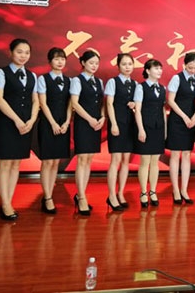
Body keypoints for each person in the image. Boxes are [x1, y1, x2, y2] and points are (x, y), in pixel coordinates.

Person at [0, 38, 39, 220]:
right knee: (5, 164)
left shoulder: (32, 76)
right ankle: (4, 204)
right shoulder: (1, 73)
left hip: (25, 124)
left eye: (27, 52)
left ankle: (9, 201)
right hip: (7, 123)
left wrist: (32, 120)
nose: (23, 56)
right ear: (10, 52)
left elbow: (35, 100)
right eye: (19, 52)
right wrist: (17, 120)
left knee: (16, 164)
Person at [37, 47, 72, 214]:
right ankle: (47, 197)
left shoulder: (69, 81)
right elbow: (42, 103)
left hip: (63, 124)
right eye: (56, 59)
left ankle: (49, 194)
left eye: (62, 59)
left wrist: (66, 122)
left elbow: (70, 104)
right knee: (47, 161)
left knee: (56, 162)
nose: (60, 62)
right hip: (47, 123)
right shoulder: (43, 79)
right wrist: (52, 123)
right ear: (50, 61)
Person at [70, 50, 105, 215]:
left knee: (89, 159)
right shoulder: (77, 80)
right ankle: (81, 196)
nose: (94, 66)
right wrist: (90, 119)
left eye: (96, 63)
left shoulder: (99, 81)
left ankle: (81, 194)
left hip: (96, 124)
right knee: (82, 159)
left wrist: (103, 117)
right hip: (83, 123)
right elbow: (75, 104)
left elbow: (102, 103)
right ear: (83, 63)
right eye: (91, 63)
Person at [166, 52, 195, 205]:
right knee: (175, 155)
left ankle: (184, 190)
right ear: (184, 65)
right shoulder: (177, 78)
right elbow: (171, 101)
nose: (193, 70)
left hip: (191, 121)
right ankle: (175, 190)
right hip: (177, 120)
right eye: (190, 67)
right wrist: (184, 117)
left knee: (187, 154)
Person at [105, 53, 137, 212]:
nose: (127, 67)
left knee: (126, 160)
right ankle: (111, 195)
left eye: (130, 64)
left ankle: (120, 193)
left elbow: (139, 105)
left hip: (130, 126)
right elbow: (109, 104)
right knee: (115, 160)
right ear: (118, 66)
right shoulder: (113, 82)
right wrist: (113, 124)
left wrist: (134, 105)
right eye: (124, 64)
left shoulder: (135, 84)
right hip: (117, 125)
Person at [134, 59, 167, 208]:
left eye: (160, 68)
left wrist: (164, 130)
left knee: (155, 161)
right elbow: (138, 110)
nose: (159, 71)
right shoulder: (141, 87)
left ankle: (153, 191)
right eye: (156, 68)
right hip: (146, 127)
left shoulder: (162, 88)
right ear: (147, 71)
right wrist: (141, 129)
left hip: (158, 128)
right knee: (145, 161)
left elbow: (162, 109)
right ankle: (143, 192)